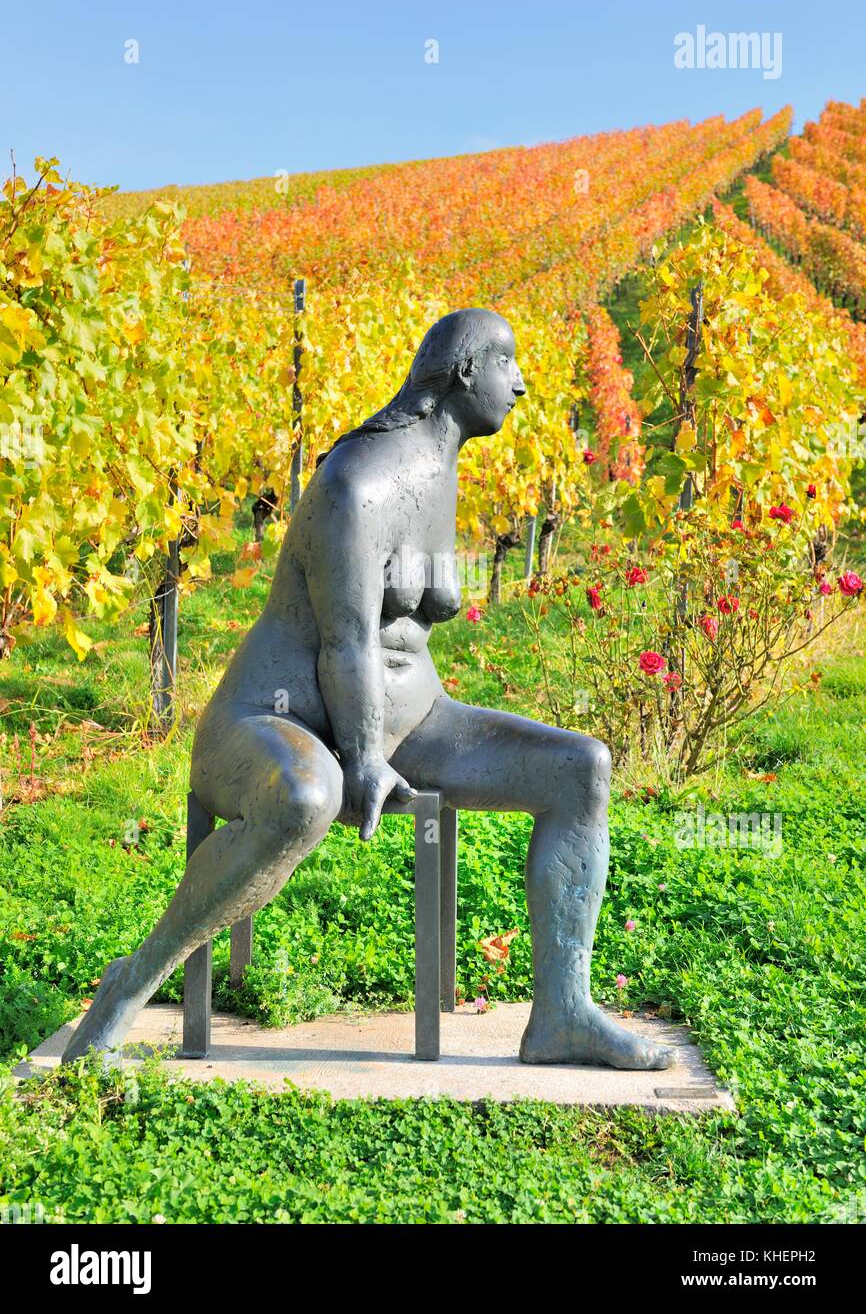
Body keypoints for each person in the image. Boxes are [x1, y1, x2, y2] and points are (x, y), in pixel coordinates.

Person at [63, 309, 675, 1070]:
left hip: (409, 720)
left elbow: (398, 639)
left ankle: (563, 1014)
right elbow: (346, 640)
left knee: (580, 767)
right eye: (505, 364)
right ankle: (132, 982)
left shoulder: (441, 468)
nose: (519, 384)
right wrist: (359, 756)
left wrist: (383, 741)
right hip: (272, 722)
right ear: (461, 373)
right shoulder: (356, 483)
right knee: (306, 794)